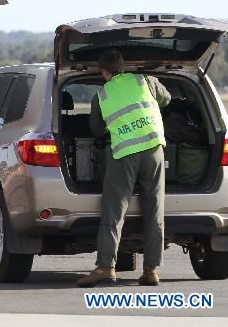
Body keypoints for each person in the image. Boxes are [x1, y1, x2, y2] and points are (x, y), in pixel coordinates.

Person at [77, 48, 171, 287]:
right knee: (154, 210)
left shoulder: (102, 95)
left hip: (125, 154)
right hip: (154, 149)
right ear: (124, 66)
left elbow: (96, 129)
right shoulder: (144, 80)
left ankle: (106, 267)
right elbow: (167, 98)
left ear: (104, 72)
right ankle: (151, 270)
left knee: (114, 210)